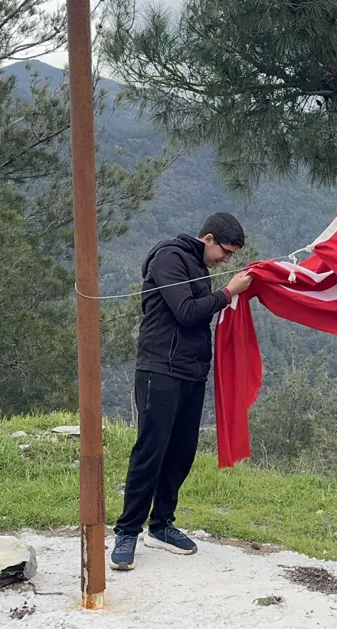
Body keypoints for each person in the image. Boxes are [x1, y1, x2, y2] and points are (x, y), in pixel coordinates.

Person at [109, 212, 253, 571]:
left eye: (232, 255)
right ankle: (127, 531)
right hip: (159, 369)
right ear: (208, 239)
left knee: (181, 452)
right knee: (150, 451)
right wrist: (228, 291)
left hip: (191, 373)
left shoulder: (199, 267)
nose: (226, 260)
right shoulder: (169, 258)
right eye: (226, 252)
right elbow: (187, 312)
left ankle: (160, 526)